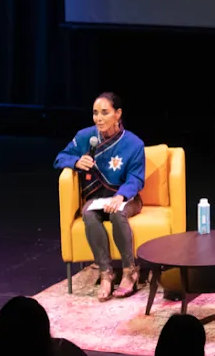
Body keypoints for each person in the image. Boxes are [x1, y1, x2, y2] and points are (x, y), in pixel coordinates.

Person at [54, 92, 147, 301]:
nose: (99, 118)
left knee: (117, 214)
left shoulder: (134, 144)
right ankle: (106, 273)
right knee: (88, 213)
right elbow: (60, 157)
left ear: (118, 114)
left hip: (126, 199)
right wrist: (76, 162)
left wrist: (120, 197)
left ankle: (130, 271)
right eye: (95, 113)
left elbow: (135, 178)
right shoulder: (85, 137)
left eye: (105, 113)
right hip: (98, 198)